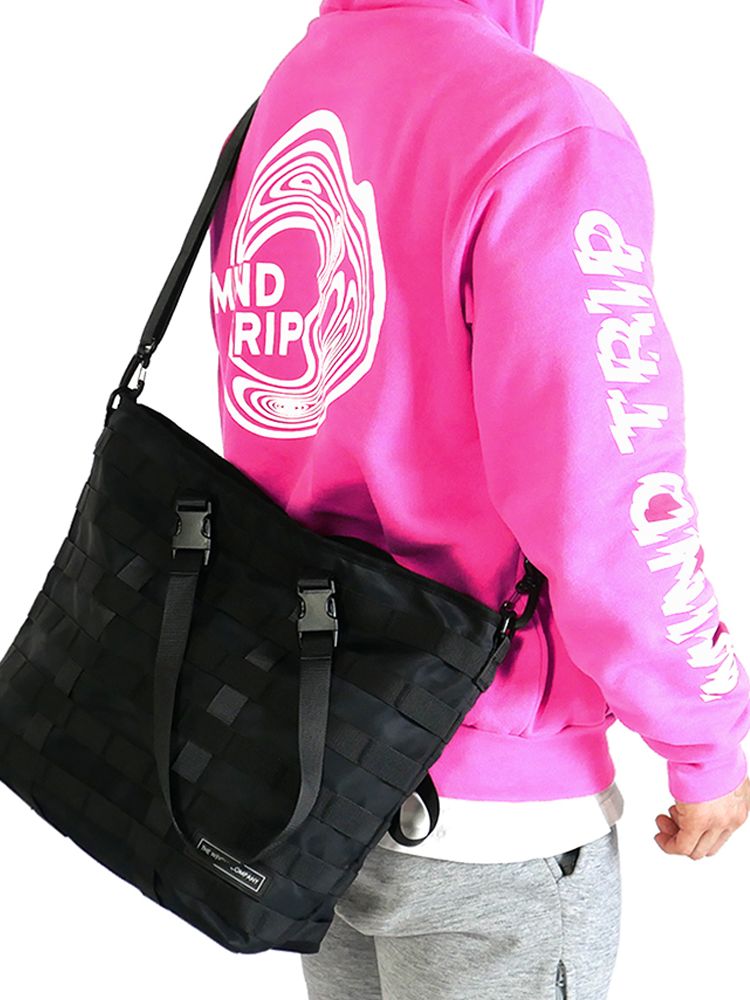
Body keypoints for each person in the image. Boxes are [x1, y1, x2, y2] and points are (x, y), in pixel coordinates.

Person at [207, 1, 750, 996]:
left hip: (315, 769)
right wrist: (706, 735)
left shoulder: (293, 94)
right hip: (489, 793)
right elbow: (607, 484)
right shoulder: (537, 125)